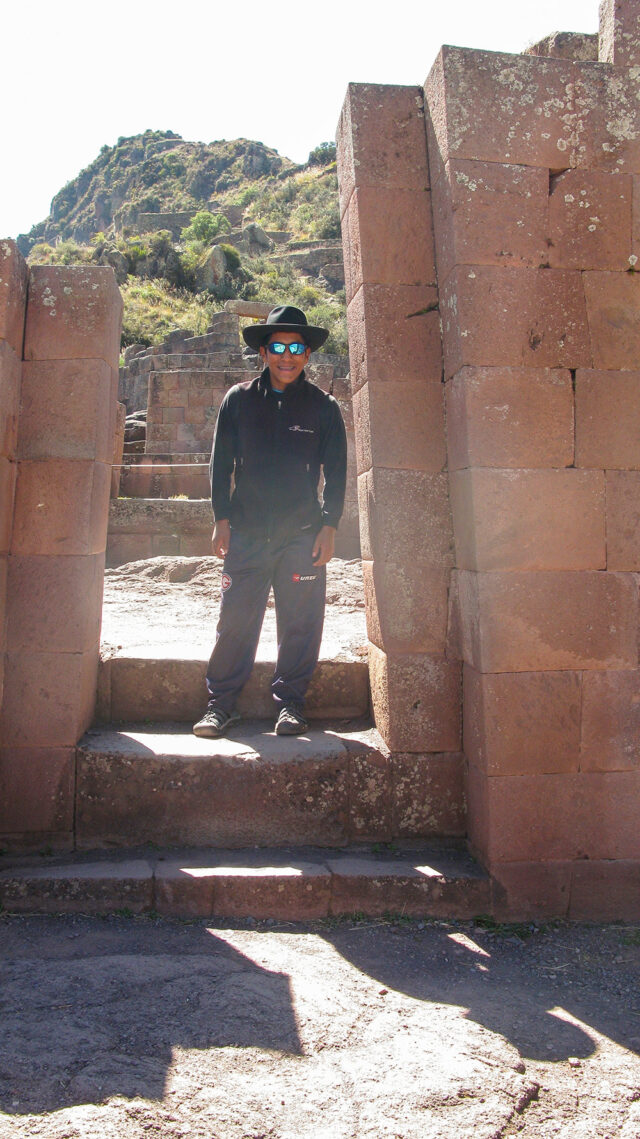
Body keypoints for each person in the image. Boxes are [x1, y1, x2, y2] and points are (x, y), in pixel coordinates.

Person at [193, 305, 347, 739]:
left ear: (307, 354)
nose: (286, 356)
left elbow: (336, 473)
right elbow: (220, 464)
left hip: (302, 536)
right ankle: (220, 705)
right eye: (277, 346)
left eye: (296, 347)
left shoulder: (323, 407)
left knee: (300, 623)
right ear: (263, 352)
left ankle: (291, 705)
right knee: (235, 621)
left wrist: (330, 525)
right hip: (246, 533)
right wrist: (220, 517)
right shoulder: (239, 400)